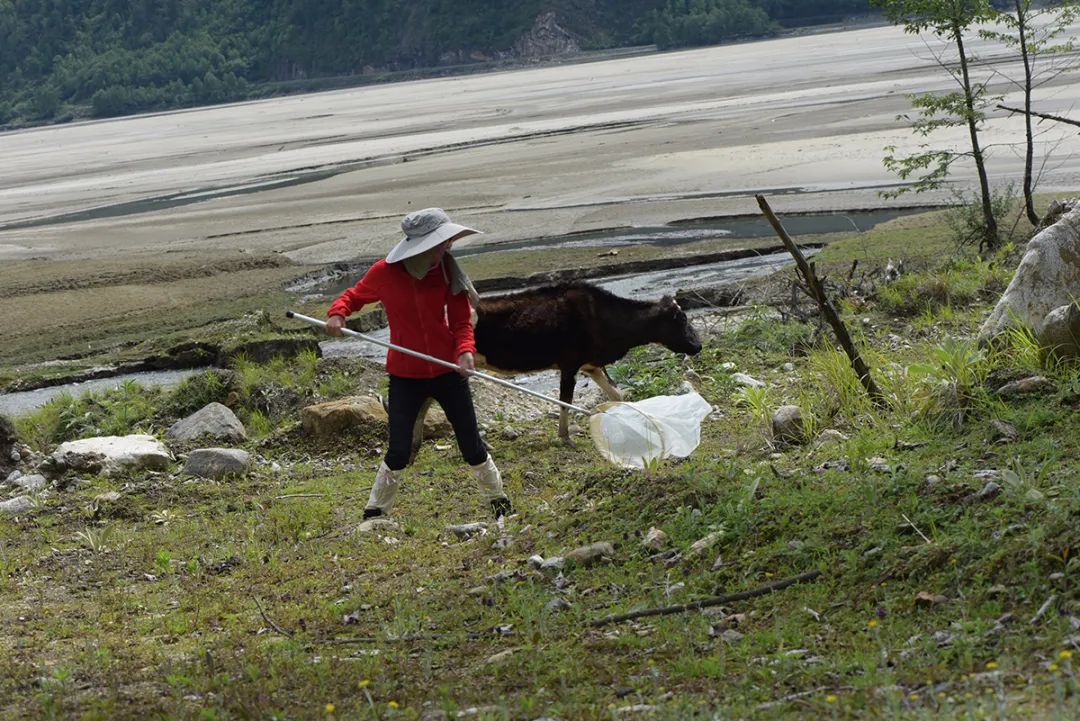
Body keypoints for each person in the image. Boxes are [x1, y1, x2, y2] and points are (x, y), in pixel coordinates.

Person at [325, 208, 513, 519]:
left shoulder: (447, 272)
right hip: (404, 376)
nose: (447, 249)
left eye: (447, 243)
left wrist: (465, 351)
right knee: (399, 451)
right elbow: (354, 296)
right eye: (442, 244)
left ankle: (498, 501)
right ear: (422, 246)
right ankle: (375, 512)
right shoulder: (384, 273)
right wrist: (338, 313)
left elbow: (461, 322)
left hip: (448, 372)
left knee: (471, 446)